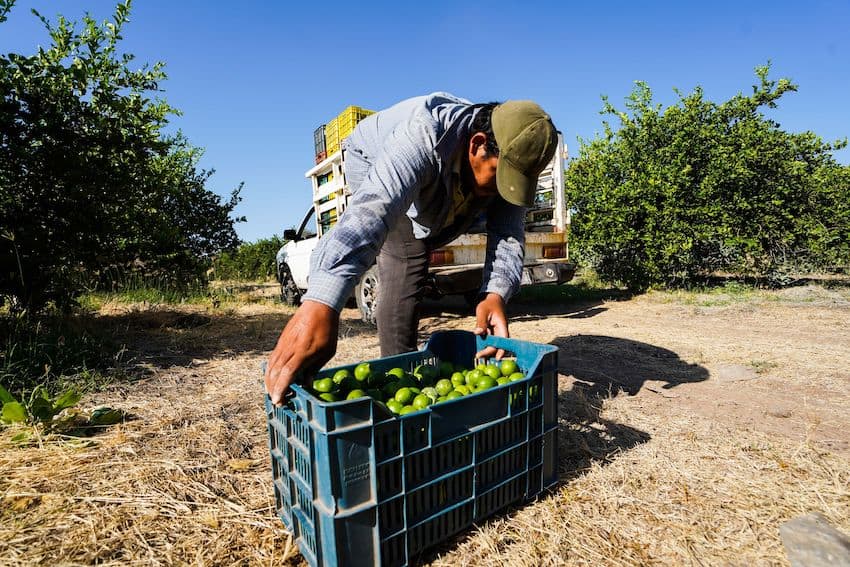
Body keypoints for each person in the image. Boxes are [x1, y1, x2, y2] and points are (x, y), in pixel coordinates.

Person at [265, 92, 557, 406]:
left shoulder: (506, 155)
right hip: (369, 158)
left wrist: (495, 294)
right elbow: (371, 213)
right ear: (477, 144)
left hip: (441, 176)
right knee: (408, 256)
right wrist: (321, 303)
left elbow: (508, 232)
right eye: (500, 177)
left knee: (444, 225)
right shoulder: (423, 135)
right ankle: (397, 371)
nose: (502, 190)